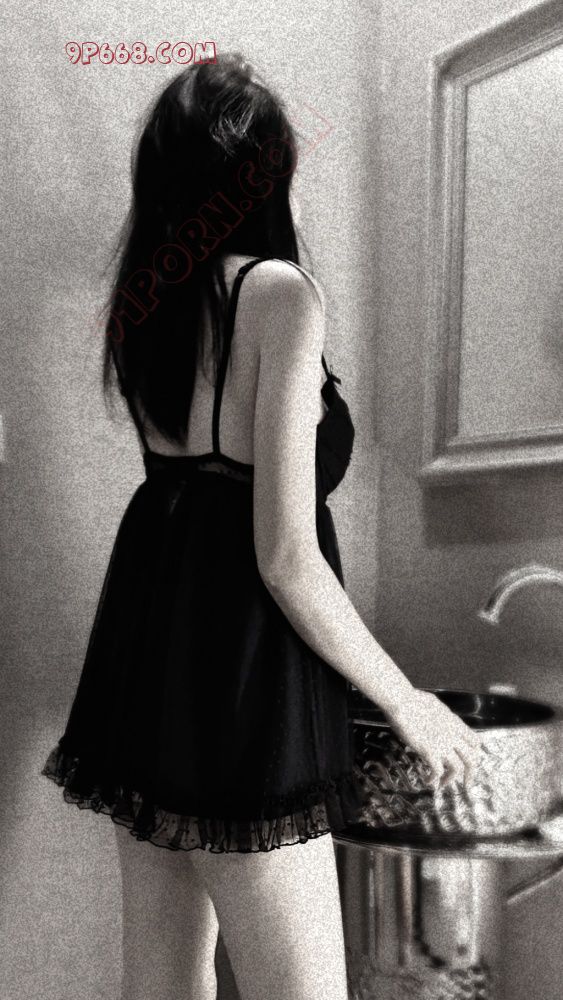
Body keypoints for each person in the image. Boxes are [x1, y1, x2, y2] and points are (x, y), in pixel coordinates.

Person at [41, 52, 484, 1000]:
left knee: (161, 985)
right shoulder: (279, 294)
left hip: (145, 668)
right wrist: (405, 701)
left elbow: (194, 500)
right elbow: (284, 555)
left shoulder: (148, 305)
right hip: (242, 686)